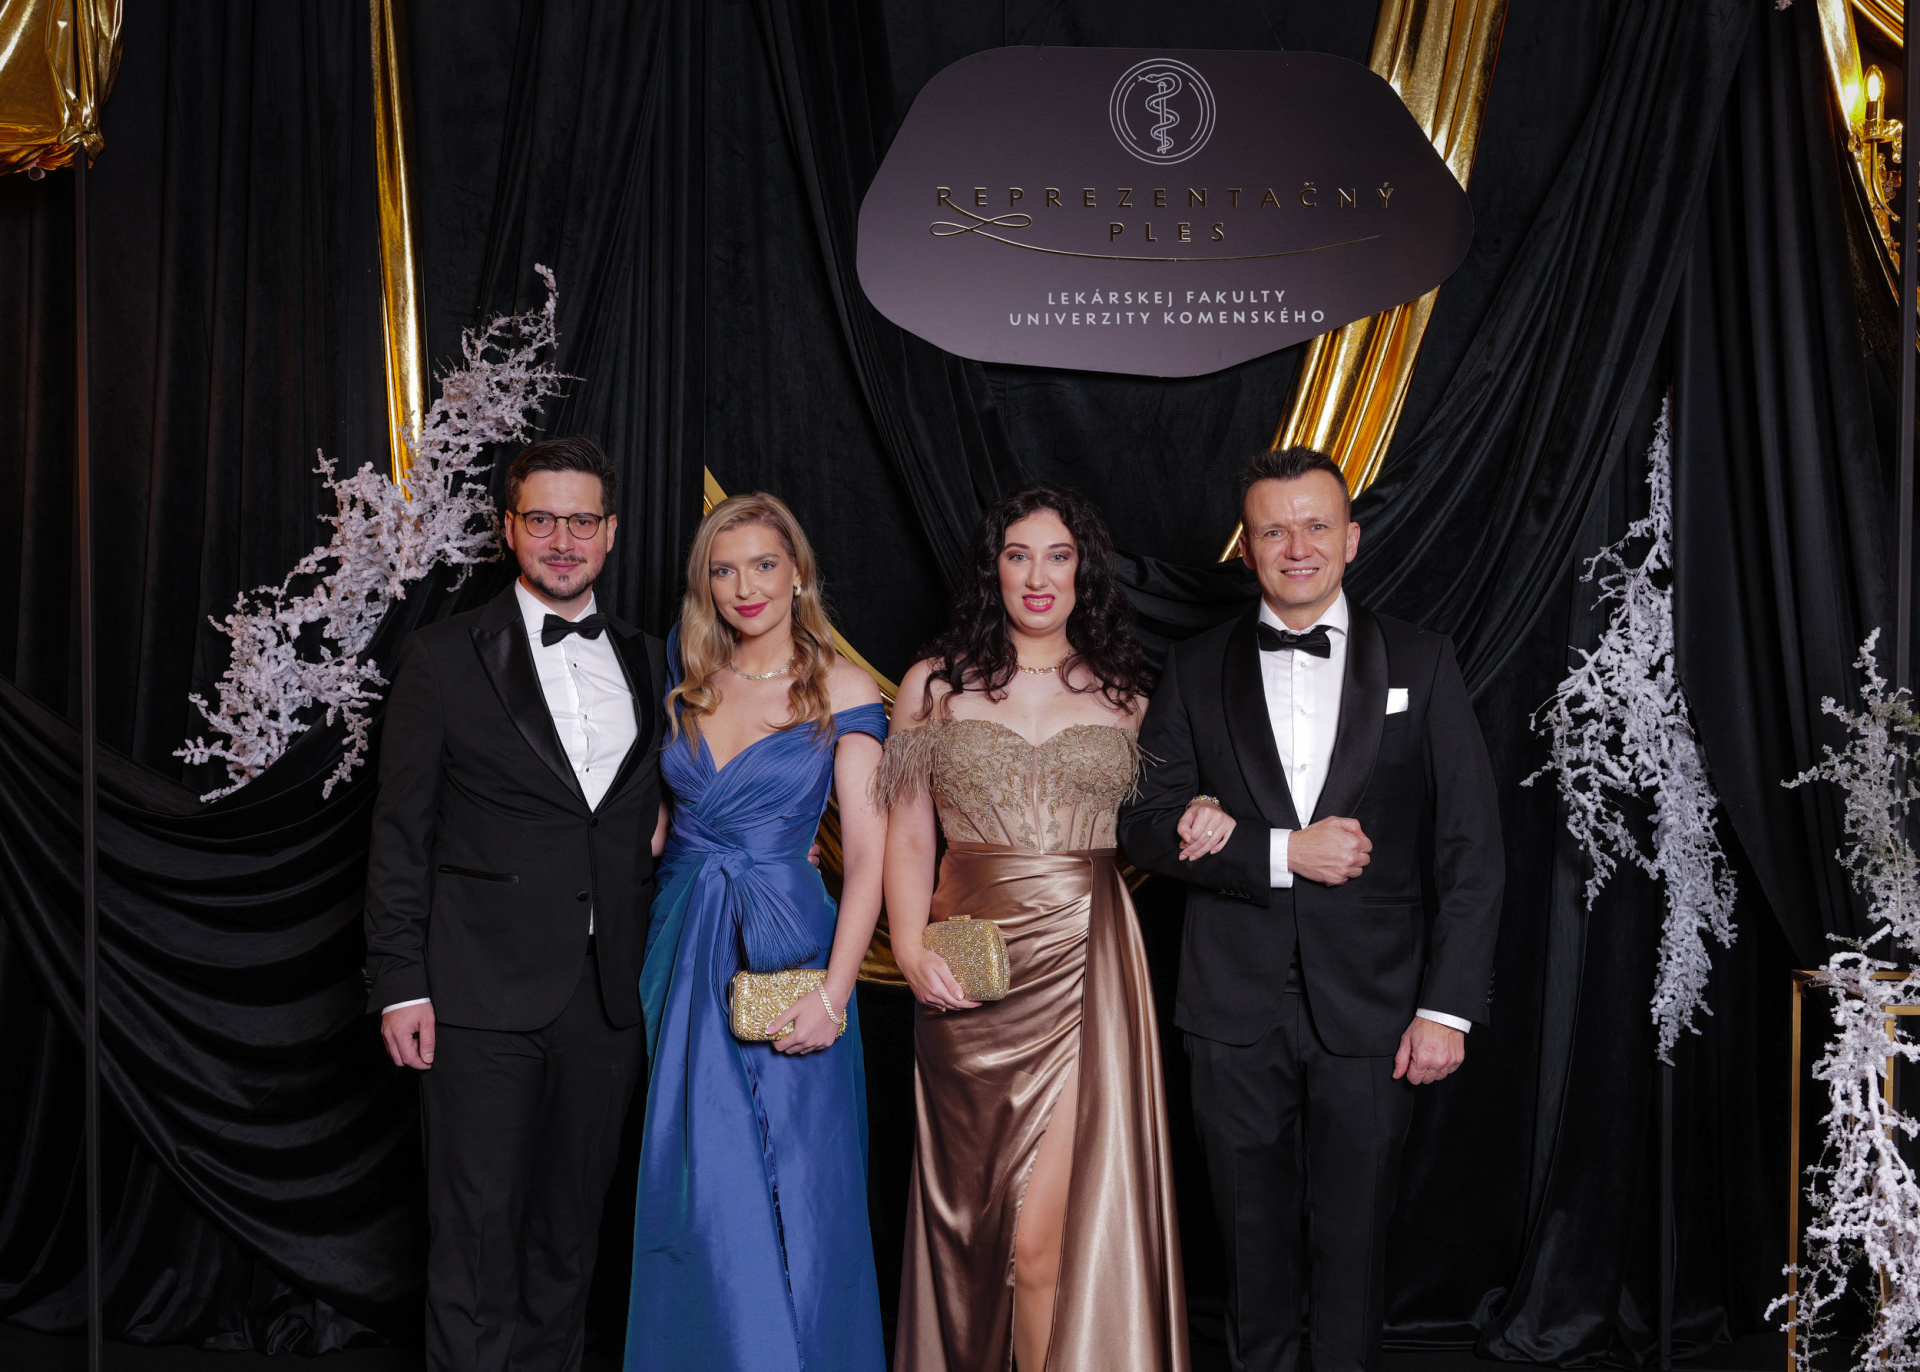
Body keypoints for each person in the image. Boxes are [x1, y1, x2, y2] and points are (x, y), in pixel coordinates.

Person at [1117, 447, 1503, 1372]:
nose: (1298, 547)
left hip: (1377, 1008)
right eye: (1274, 531)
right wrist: (1280, 852)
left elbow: (1472, 849)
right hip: (1231, 1009)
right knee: (1247, 1248)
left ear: (1352, 539)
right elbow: (1142, 827)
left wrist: (1447, 1008)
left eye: (1317, 526)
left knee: (1354, 1245)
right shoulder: (1196, 666)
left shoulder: (1423, 660)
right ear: (1247, 548)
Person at [363, 436, 663, 1372]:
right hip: (477, 993)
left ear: (611, 532)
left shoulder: (653, 661)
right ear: (508, 529)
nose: (563, 540)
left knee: (569, 1238)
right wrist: (399, 982)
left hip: (609, 998)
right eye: (542, 520)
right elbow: (401, 835)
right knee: (477, 1236)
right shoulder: (442, 656)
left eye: (582, 520)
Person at [879, 482, 1188, 1372]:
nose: (1039, 576)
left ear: (1084, 570)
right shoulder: (935, 684)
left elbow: (1163, 820)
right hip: (969, 971)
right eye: (1019, 556)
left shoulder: (1129, 696)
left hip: (1089, 965)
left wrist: (1203, 810)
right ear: (995, 570)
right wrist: (908, 944)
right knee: (973, 1225)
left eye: (1059, 556)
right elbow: (909, 832)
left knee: (1044, 1238)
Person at [624, 492, 888, 1372]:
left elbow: (869, 857)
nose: (746, 587)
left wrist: (836, 996)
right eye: (725, 570)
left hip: (791, 950)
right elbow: (652, 826)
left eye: (764, 565)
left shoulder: (843, 688)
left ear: (797, 572)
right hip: (680, 943)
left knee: (804, 1192)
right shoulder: (685, 675)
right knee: (700, 1190)